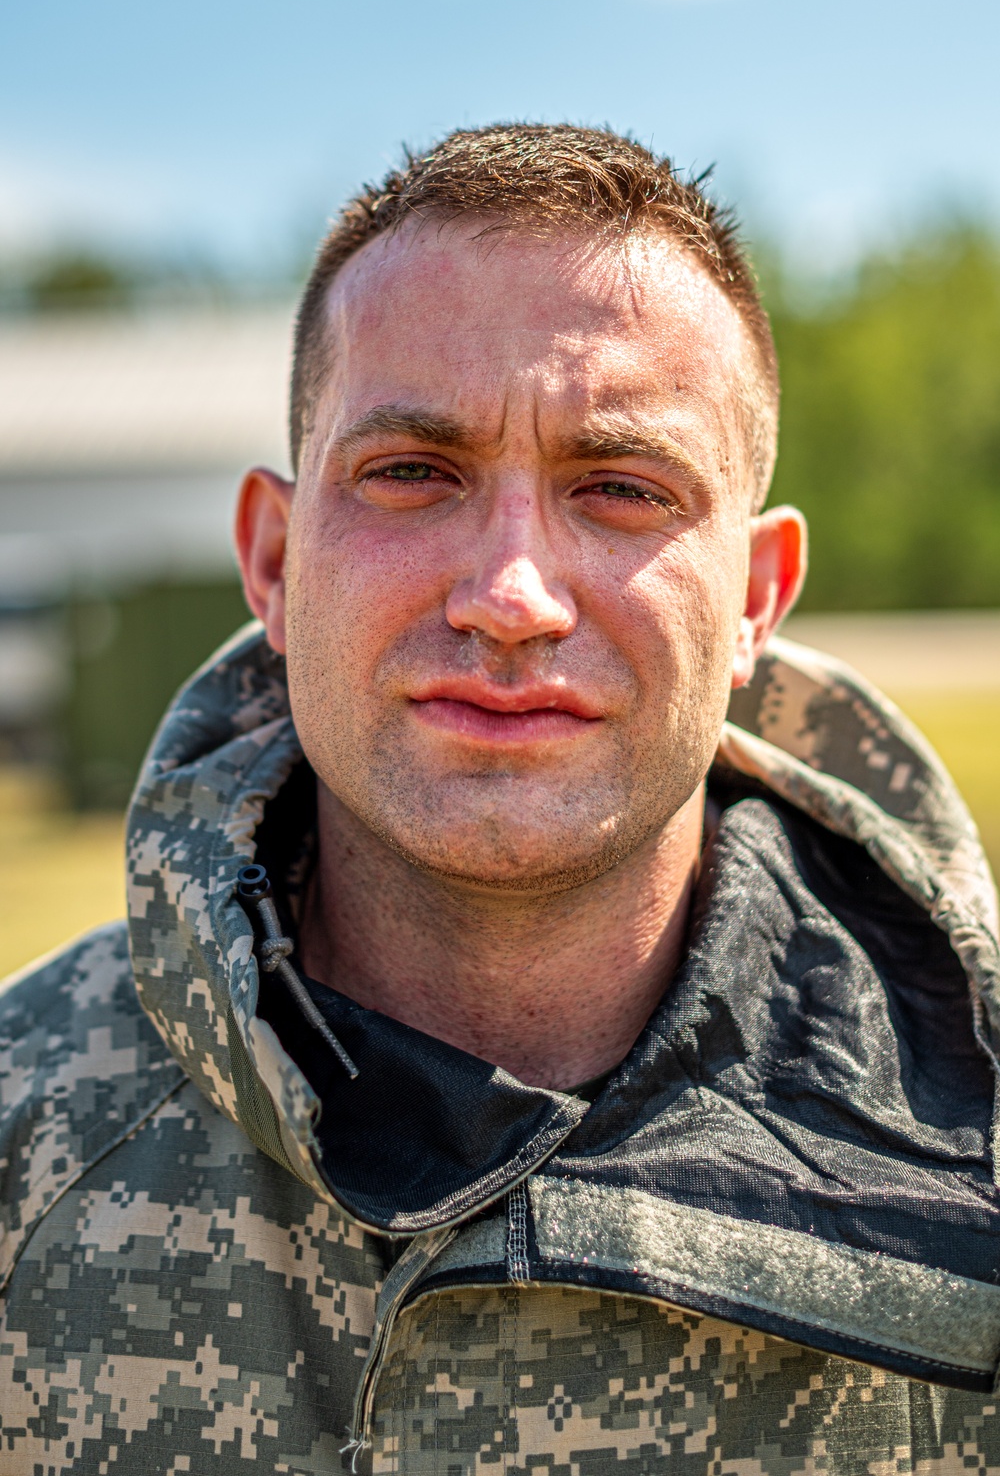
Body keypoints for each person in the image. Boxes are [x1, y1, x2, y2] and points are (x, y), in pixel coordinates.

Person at [1, 124, 999, 1476]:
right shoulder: (24, 1135)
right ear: (276, 560)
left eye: (621, 487)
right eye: (415, 473)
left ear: (758, 595)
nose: (512, 598)